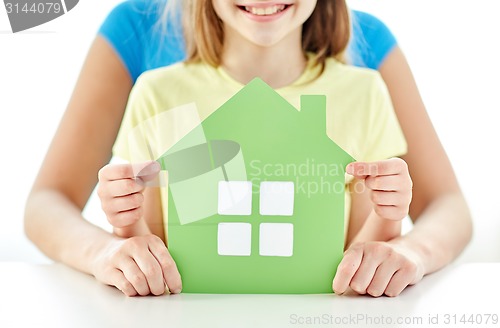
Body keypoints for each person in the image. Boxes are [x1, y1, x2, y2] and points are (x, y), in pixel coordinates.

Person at [24, 0, 472, 297]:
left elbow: (374, 239)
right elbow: (155, 231)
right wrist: (113, 246)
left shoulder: (362, 80)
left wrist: (406, 247)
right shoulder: (160, 87)